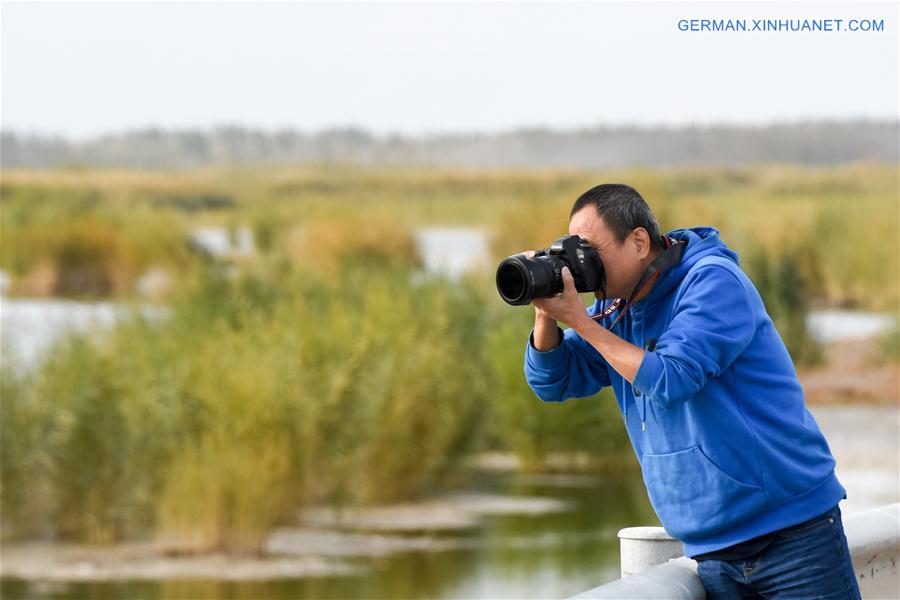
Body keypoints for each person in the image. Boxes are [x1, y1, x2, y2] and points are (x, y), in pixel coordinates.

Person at [523, 183, 861, 599]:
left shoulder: (713, 283)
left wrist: (582, 323)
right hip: (712, 550)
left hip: (792, 534)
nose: (582, 263)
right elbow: (553, 382)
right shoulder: (616, 310)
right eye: (574, 250)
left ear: (639, 242)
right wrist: (546, 312)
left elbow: (672, 378)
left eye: (591, 249)